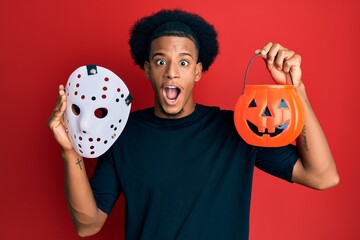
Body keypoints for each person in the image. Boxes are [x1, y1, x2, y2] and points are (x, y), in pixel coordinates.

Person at [48, 9, 339, 239]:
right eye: (161, 62)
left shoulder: (239, 128)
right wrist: (70, 152)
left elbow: (322, 176)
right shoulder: (123, 132)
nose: (172, 72)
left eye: (184, 63)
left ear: (198, 72)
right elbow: (88, 224)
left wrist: (294, 90)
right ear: (148, 70)